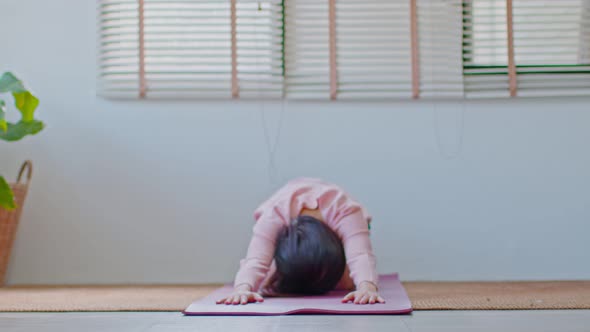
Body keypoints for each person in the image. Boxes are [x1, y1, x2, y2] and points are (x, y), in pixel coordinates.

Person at [216, 178, 384, 305]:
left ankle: (331, 271)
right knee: (264, 283)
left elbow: (360, 254)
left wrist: (366, 287)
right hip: (284, 224)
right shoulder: (274, 215)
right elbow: (256, 259)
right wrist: (243, 288)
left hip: (340, 229)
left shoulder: (346, 212)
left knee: (350, 282)